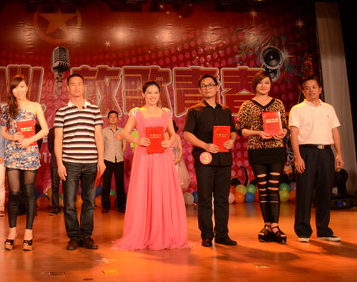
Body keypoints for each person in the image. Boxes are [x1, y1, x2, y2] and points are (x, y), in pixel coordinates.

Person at [113, 81, 189, 250]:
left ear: (159, 95)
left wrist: (168, 142)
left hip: (162, 157)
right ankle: (144, 233)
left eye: (156, 92)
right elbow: (124, 133)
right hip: (144, 157)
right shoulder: (137, 113)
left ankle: (163, 233)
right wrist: (138, 140)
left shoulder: (165, 113)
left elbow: (172, 134)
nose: (153, 96)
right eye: (149, 93)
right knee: (145, 191)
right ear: (143, 94)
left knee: (162, 192)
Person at [236, 70, 289, 243]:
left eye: (267, 82)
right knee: (263, 188)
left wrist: (282, 133)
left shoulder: (278, 103)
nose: (263, 86)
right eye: (260, 82)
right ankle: (266, 225)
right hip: (257, 151)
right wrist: (258, 133)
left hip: (276, 150)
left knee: (273, 188)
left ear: (270, 85)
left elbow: (285, 126)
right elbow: (240, 130)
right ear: (255, 85)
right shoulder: (247, 105)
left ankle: (275, 226)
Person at [184, 74, 237, 247]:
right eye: (204, 86)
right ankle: (206, 235)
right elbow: (187, 134)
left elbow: (233, 131)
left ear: (216, 87)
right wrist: (205, 145)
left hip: (224, 159)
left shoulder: (225, 110)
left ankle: (222, 234)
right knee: (205, 199)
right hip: (204, 159)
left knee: (222, 199)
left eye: (210, 85)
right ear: (200, 90)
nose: (207, 88)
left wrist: (231, 140)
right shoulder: (195, 111)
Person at [289, 75, 343, 243]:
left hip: (326, 152)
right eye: (307, 88)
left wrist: (339, 153)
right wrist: (297, 157)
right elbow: (293, 134)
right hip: (306, 152)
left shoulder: (329, 108)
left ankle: (324, 229)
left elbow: (334, 132)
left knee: (325, 191)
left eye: (314, 87)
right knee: (304, 192)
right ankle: (303, 231)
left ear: (320, 89)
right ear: (303, 91)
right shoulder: (297, 109)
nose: (311, 90)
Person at [54, 73, 105, 251]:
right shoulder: (62, 112)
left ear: (84, 87)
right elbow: (58, 139)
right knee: (69, 203)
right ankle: (74, 237)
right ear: (68, 88)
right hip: (70, 163)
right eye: (73, 84)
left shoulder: (94, 110)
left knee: (89, 202)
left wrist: (101, 160)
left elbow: (98, 136)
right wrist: (60, 163)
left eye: (79, 84)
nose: (76, 87)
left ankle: (86, 236)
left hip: (91, 163)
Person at [0, 75, 49, 251]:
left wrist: (30, 140)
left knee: (29, 193)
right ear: (11, 90)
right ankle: (12, 232)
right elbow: (3, 132)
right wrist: (12, 136)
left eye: (21, 86)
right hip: (13, 152)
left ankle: (28, 233)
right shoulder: (6, 108)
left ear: (27, 87)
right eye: (15, 88)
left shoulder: (35, 106)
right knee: (14, 193)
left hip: (30, 152)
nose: (18, 90)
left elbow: (45, 129)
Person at [101, 110, 126, 213]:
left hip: (119, 160)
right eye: (111, 117)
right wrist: (101, 159)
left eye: (115, 117)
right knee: (106, 184)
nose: (113, 118)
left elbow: (124, 144)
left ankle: (121, 205)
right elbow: (102, 146)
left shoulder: (122, 131)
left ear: (118, 119)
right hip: (107, 160)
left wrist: (121, 153)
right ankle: (105, 206)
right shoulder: (104, 131)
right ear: (108, 119)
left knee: (120, 184)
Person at [46, 127, 61, 215]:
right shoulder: (52, 131)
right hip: (55, 161)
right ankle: (56, 207)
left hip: (68, 160)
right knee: (55, 185)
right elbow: (50, 147)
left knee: (69, 186)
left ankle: (68, 207)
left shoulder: (69, 128)